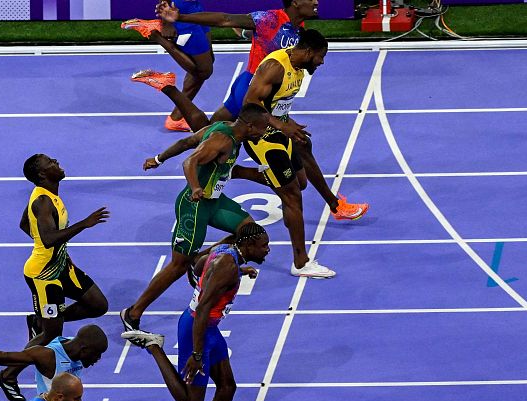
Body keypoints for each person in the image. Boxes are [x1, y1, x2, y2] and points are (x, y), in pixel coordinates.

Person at [131, 30, 367, 278]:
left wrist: (286, 124)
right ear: (308, 52)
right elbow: (249, 104)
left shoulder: (297, 69)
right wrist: (279, 125)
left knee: (299, 181)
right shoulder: (275, 67)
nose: (321, 62)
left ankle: (172, 91)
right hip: (262, 136)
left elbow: (276, 105)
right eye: (320, 57)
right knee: (292, 196)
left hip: (277, 129)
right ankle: (301, 262)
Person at [119, 103, 271, 333]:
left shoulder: (226, 129)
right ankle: (133, 312)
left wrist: (159, 159)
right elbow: (190, 160)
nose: (264, 133)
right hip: (195, 206)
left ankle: (200, 260)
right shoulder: (222, 139)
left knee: (250, 231)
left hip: (215, 202)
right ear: (250, 126)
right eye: (262, 129)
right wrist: (195, 188)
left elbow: (186, 142)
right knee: (178, 266)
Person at [122, 223, 270, 401]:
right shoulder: (228, 266)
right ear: (249, 245)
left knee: (227, 387)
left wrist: (236, 273)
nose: (267, 250)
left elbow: (199, 266)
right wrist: (197, 354)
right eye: (264, 246)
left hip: (206, 327)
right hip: (197, 328)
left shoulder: (224, 251)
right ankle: (154, 347)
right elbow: (202, 309)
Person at [0, 154, 110, 401]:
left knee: (98, 305)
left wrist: (54, 252)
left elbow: (25, 224)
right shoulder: (44, 201)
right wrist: (84, 224)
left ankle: (44, 319)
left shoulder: (46, 193)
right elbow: (47, 239)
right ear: (42, 174)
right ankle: (8, 374)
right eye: (50, 162)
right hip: (44, 275)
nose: (56, 161)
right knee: (51, 334)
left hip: (61, 266)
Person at [154, 0, 318, 123]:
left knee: (212, 132)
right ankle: (170, 89)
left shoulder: (299, 26)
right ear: (295, 3)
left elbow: (270, 39)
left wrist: (246, 35)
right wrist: (180, 17)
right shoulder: (270, 19)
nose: (316, 2)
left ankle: (170, 92)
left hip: (259, 88)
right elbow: (225, 19)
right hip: (252, 89)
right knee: (220, 139)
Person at [121, 0, 214, 132]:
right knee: (204, 71)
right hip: (181, 12)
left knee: (208, 62)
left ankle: (176, 119)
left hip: (195, 8)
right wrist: (167, 22)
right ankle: (154, 34)